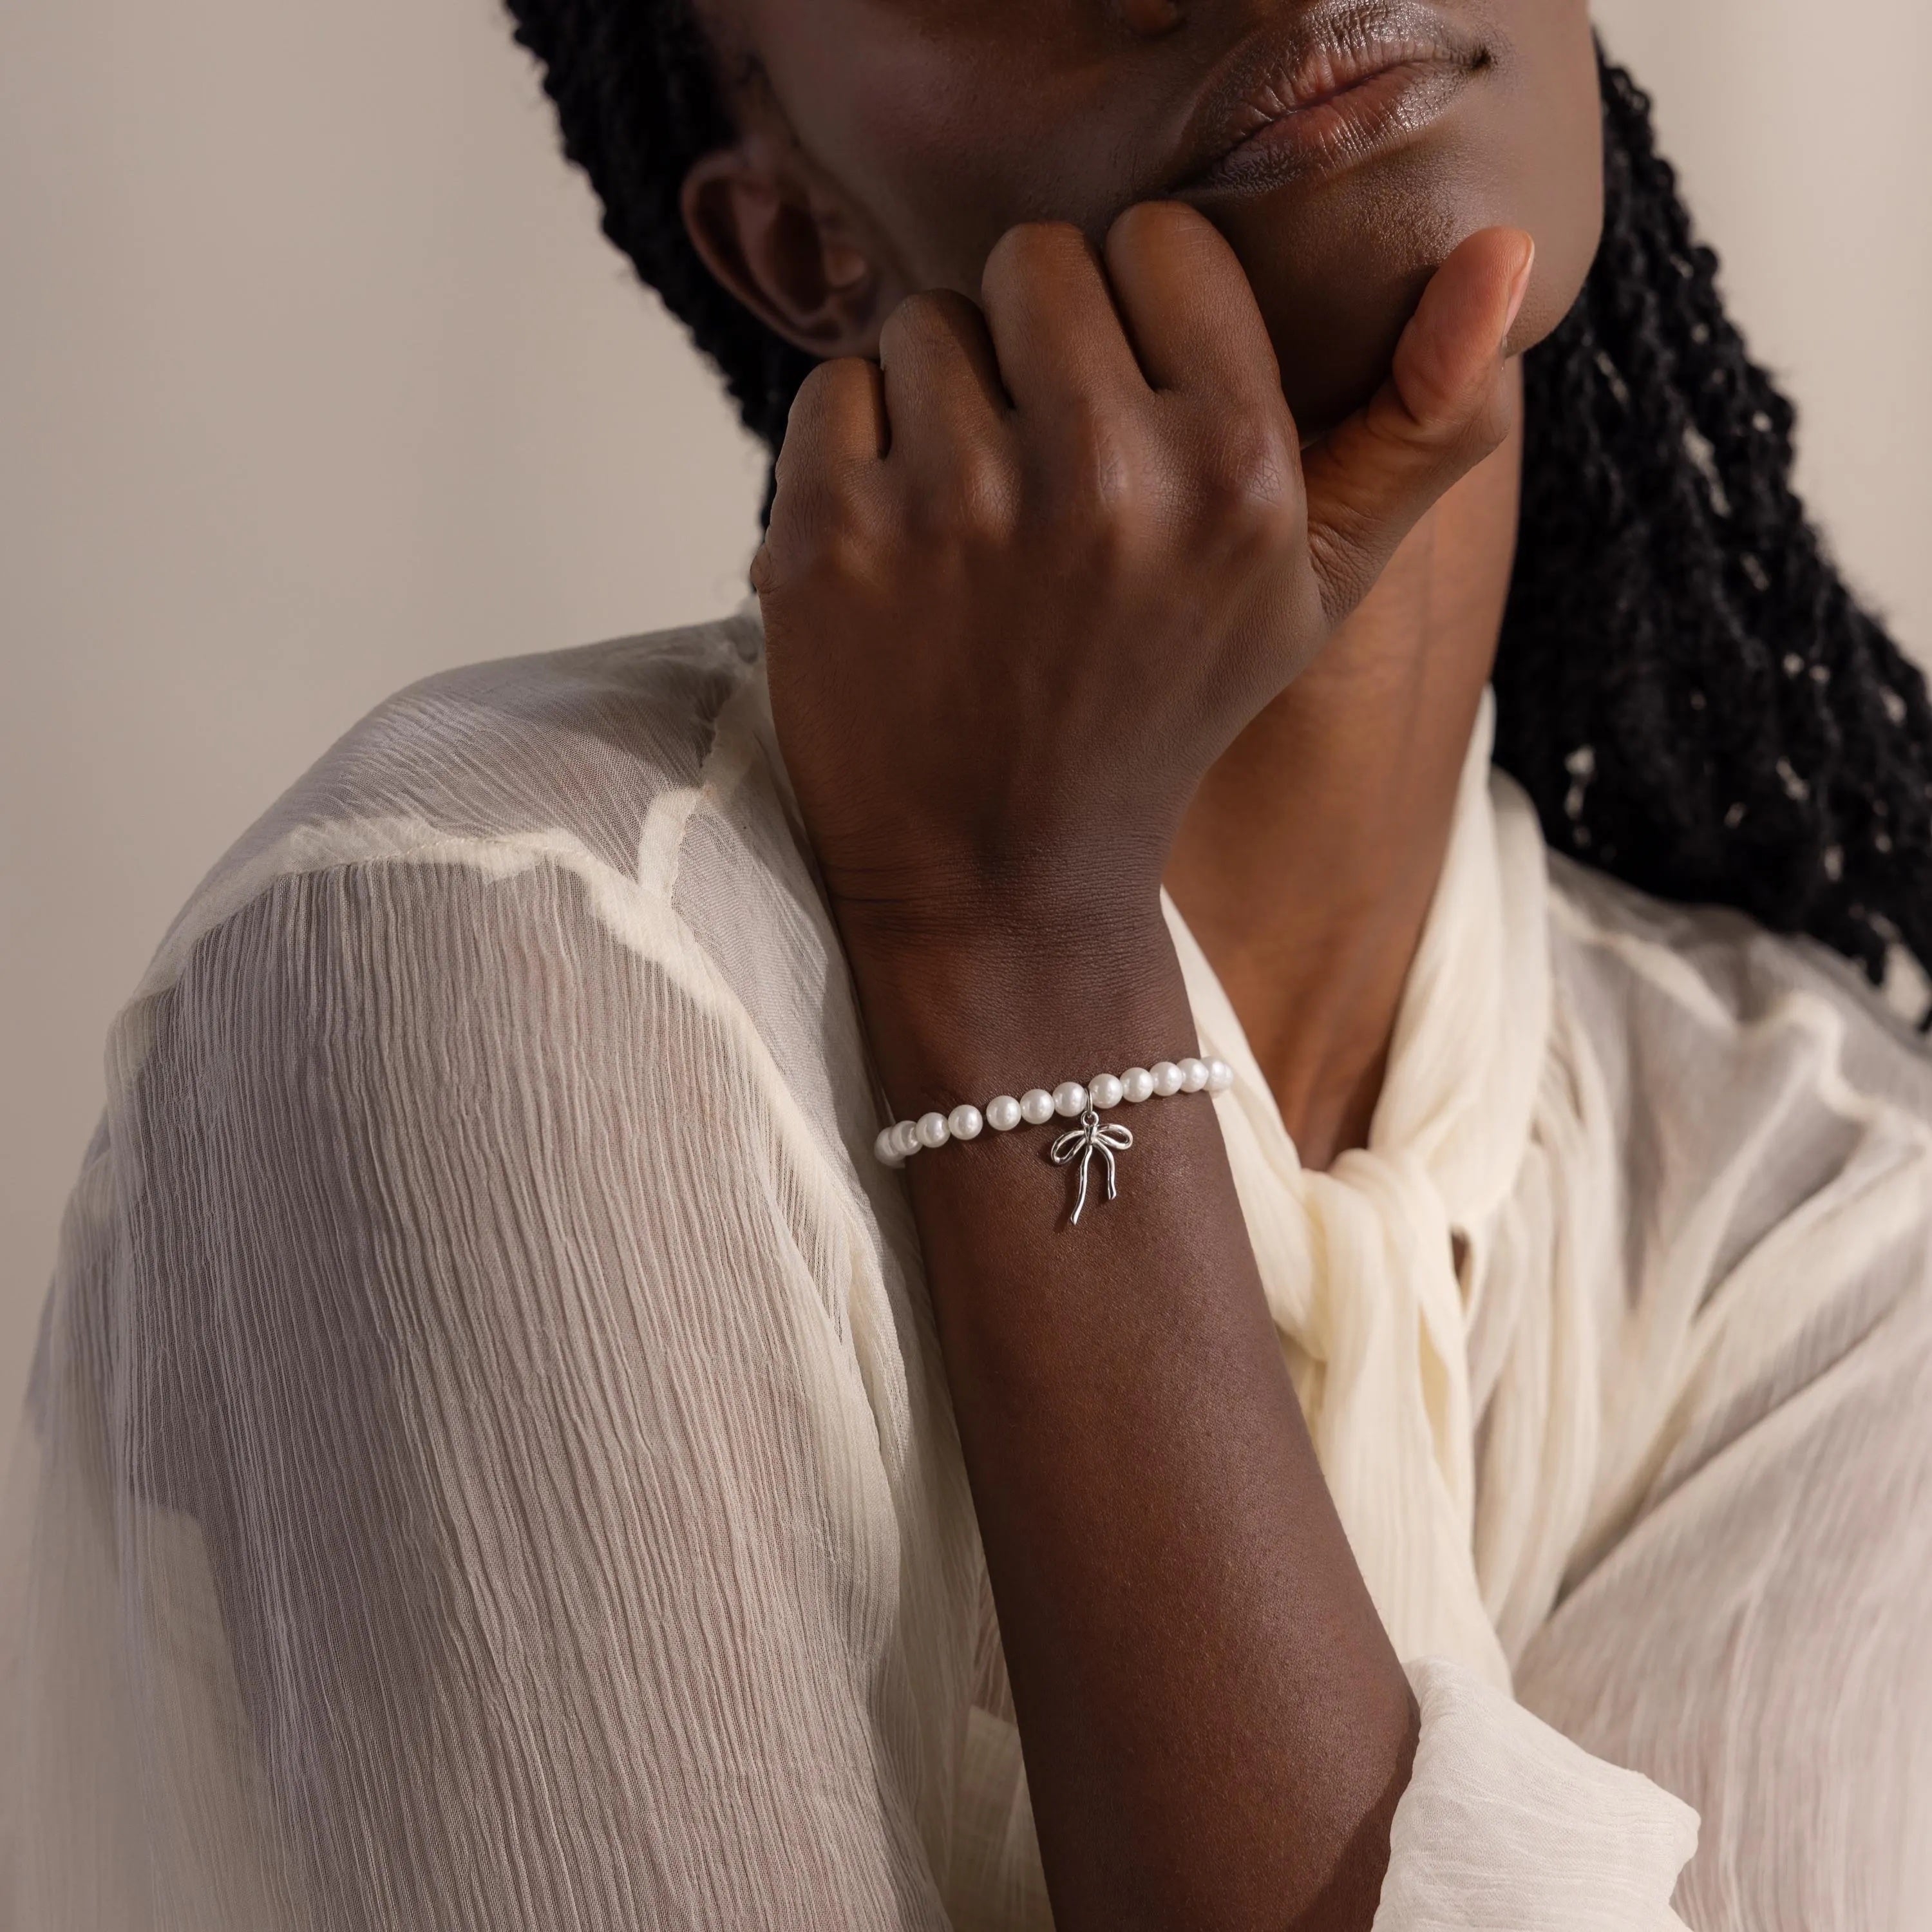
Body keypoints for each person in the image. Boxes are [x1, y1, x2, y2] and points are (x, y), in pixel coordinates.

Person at [5, 0, 1930, 1925]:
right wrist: (1014, 940)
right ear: (799, 236)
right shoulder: (509, 962)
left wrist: (1025, 941)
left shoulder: (1840, 1210)